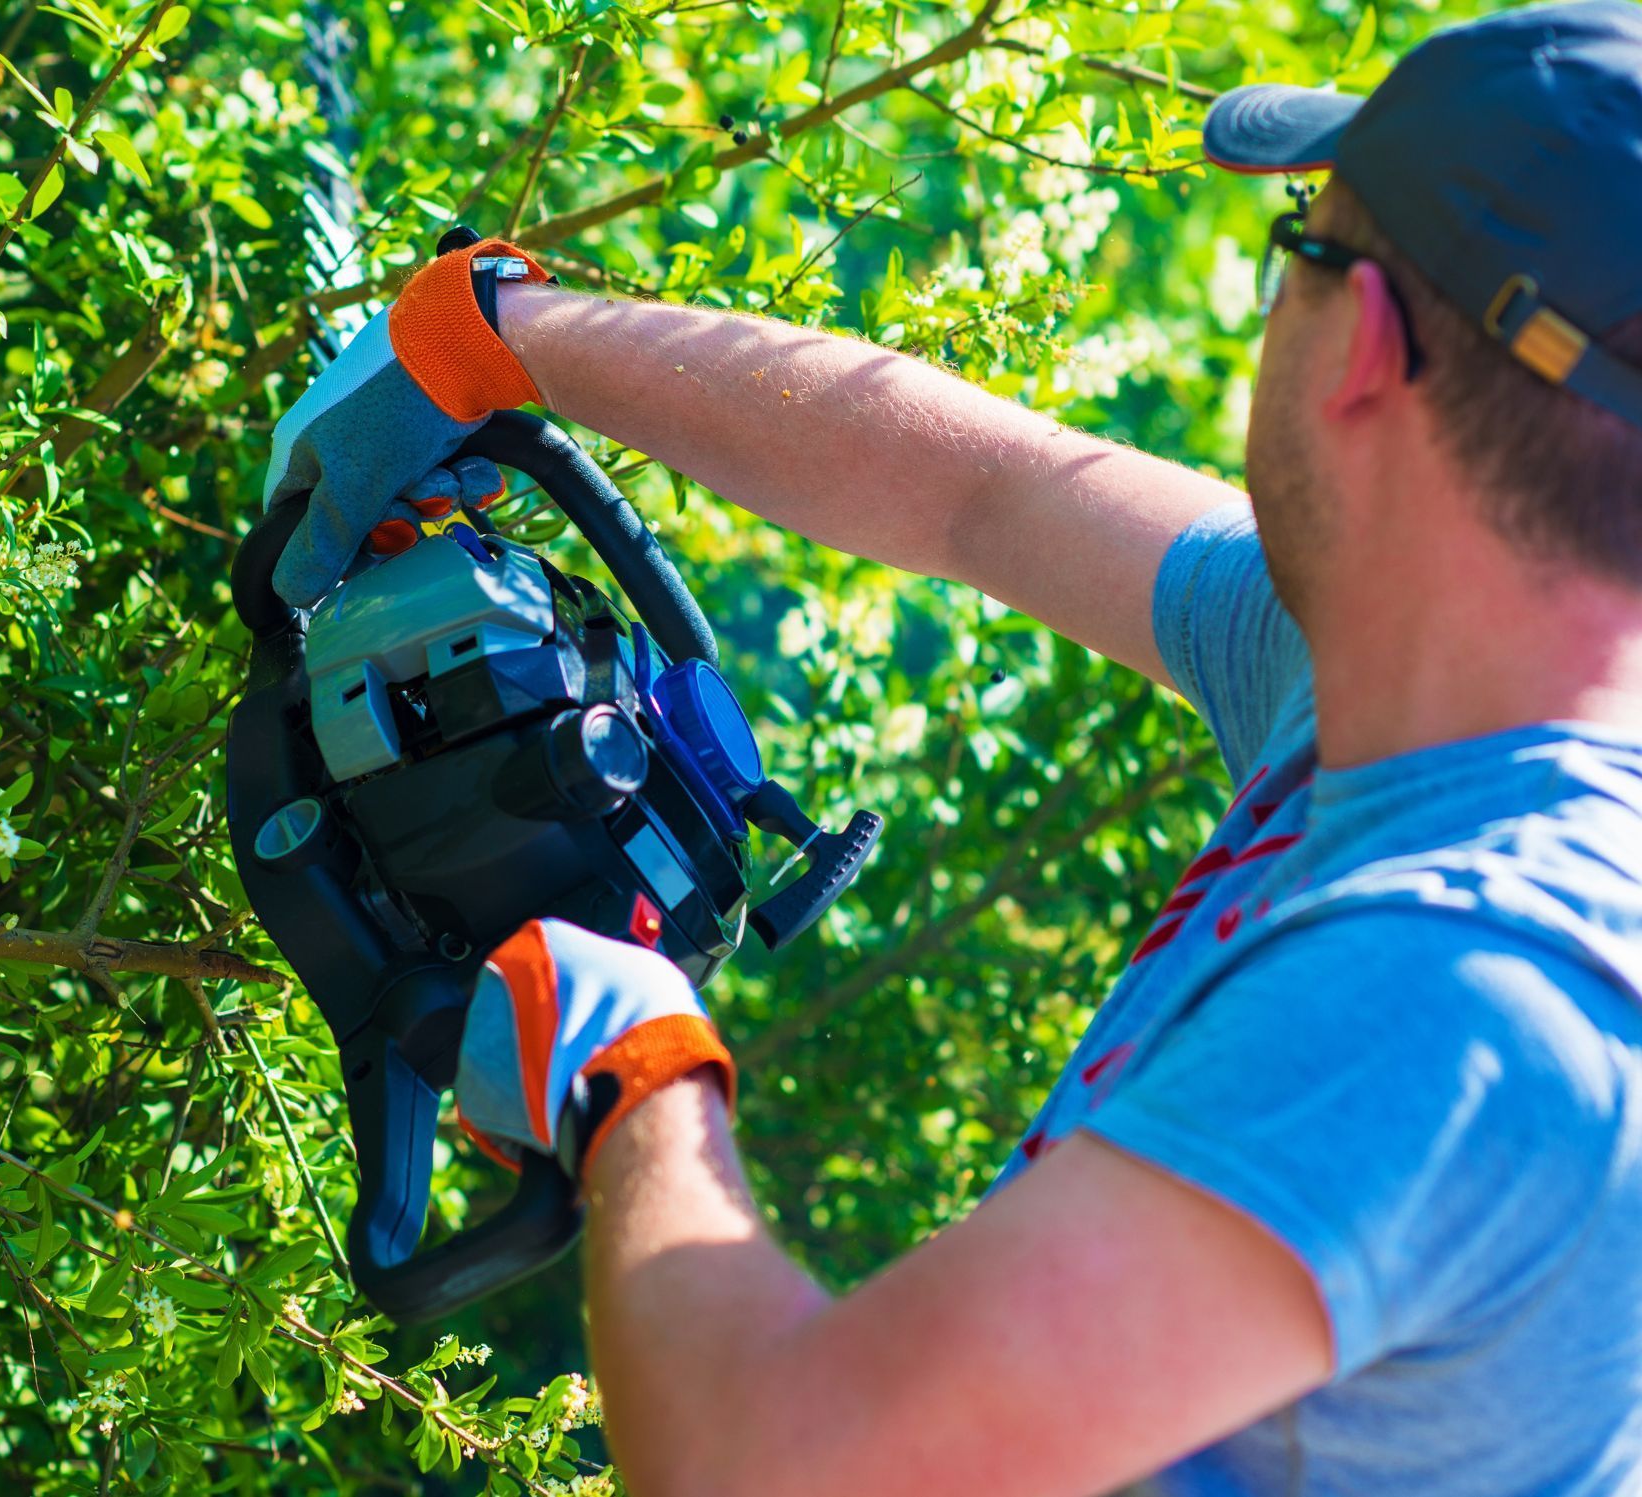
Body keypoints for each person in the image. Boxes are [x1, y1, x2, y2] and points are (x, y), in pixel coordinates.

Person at [264, 2, 1642, 1490]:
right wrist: (492, 341)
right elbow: (984, 488)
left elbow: (770, 1461)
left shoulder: (1464, 997)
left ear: (1364, 341)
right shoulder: (1398, 655)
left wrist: (632, 1072)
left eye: (1305, 233)